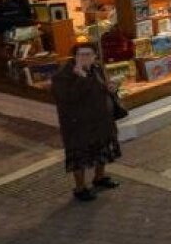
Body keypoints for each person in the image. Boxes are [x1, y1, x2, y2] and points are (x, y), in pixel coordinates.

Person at [51, 42, 122, 202]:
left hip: (101, 121)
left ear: (95, 56)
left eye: (89, 54)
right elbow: (66, 99)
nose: (85, 58)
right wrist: (80, 79)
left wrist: (111, 88)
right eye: (81, 55)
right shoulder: (63, 75)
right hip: (78, 125)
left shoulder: (97, 69)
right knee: (79, 156)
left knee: (102, 149)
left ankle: (99, 177)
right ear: (74, 57)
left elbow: (101, 89)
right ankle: (80, 188)